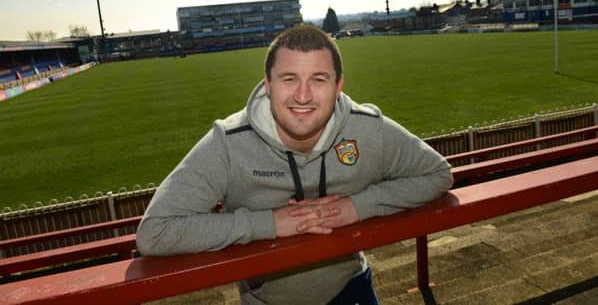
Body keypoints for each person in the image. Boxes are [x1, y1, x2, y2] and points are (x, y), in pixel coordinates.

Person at [137, 23, 453, 305]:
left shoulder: (367, 128)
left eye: (318, 79)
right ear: (268, 83)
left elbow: (438, 173)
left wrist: (356, 207)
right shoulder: (229, 142)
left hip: (350, 288)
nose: (302, 96)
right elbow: (155, 231)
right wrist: (273, 223)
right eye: (289, 79)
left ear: (339, 86)